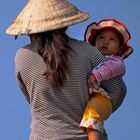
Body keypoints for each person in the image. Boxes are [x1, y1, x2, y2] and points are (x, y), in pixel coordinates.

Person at [6, 0, 127, 140]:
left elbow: (32, 99)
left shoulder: (22, 56)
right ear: (66, 23)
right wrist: (95, 113)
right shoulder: (88, 51)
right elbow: (118, 89)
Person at [80, 18, 133, 140]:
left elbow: (109, 68)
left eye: (112, 39)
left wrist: (96, 75)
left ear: (120, 49)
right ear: (93, 44)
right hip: (90, 95)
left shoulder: (115, 61)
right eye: (101, 37)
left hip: (103, 98)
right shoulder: (90, 58)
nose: (105, 42)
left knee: (92, 115)